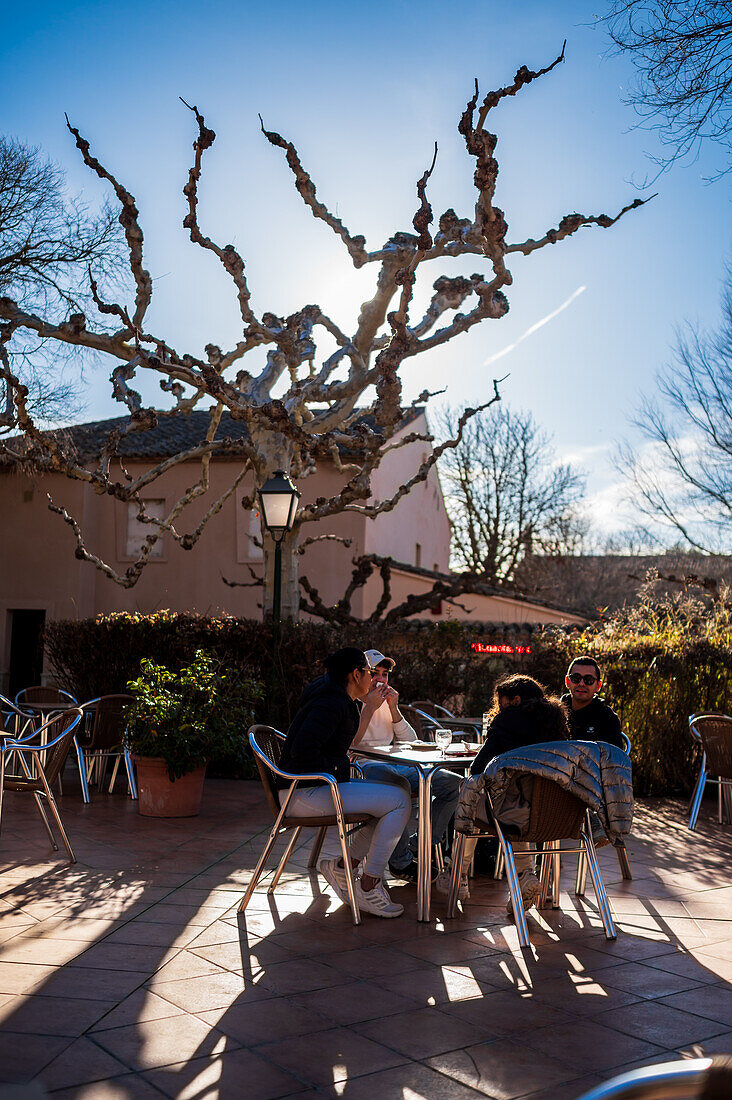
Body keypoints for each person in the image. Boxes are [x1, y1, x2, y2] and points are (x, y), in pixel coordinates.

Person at [277, 647, 411, 918]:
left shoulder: (336, 697)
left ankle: (343, 867)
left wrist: (340, 767)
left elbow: (339, 747)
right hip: (303, 792)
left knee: (391, 801)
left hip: (314, 787)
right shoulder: (329, 704)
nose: (374, 678)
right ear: (356, 674)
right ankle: (368, 885)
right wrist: (341, 769)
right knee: (399, 801)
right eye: (370, 673)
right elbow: (302, 752)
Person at [439, 674, 569, 915]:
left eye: (501, 702)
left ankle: (458, 874)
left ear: (515, 700)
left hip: (516, 813)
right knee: (512, 804)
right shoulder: (557, 722)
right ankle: (524, 875)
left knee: (473, 797)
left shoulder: (508, 721)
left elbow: (478, 768)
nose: (499, 708)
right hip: (558, 814)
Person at [351, 648, 463, 890]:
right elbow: (349, 746)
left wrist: (393, 709)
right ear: (360, 674)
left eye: (384, 674)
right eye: (374, 673)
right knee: (398, 789)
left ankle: (421, 844)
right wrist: (369, 707)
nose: (380, 679)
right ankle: (400, 862)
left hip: (396, 764)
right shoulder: (351, 702)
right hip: (364, 767)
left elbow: (409, 741)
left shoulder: (383, 702)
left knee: (454, 784)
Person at [561, 657, 626, 750]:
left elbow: (614, 759)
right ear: (567, 682)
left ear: (598, 686)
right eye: (576, 678)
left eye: (588, 680)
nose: (582, 684)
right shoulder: (553, 713)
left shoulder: (607, 718)